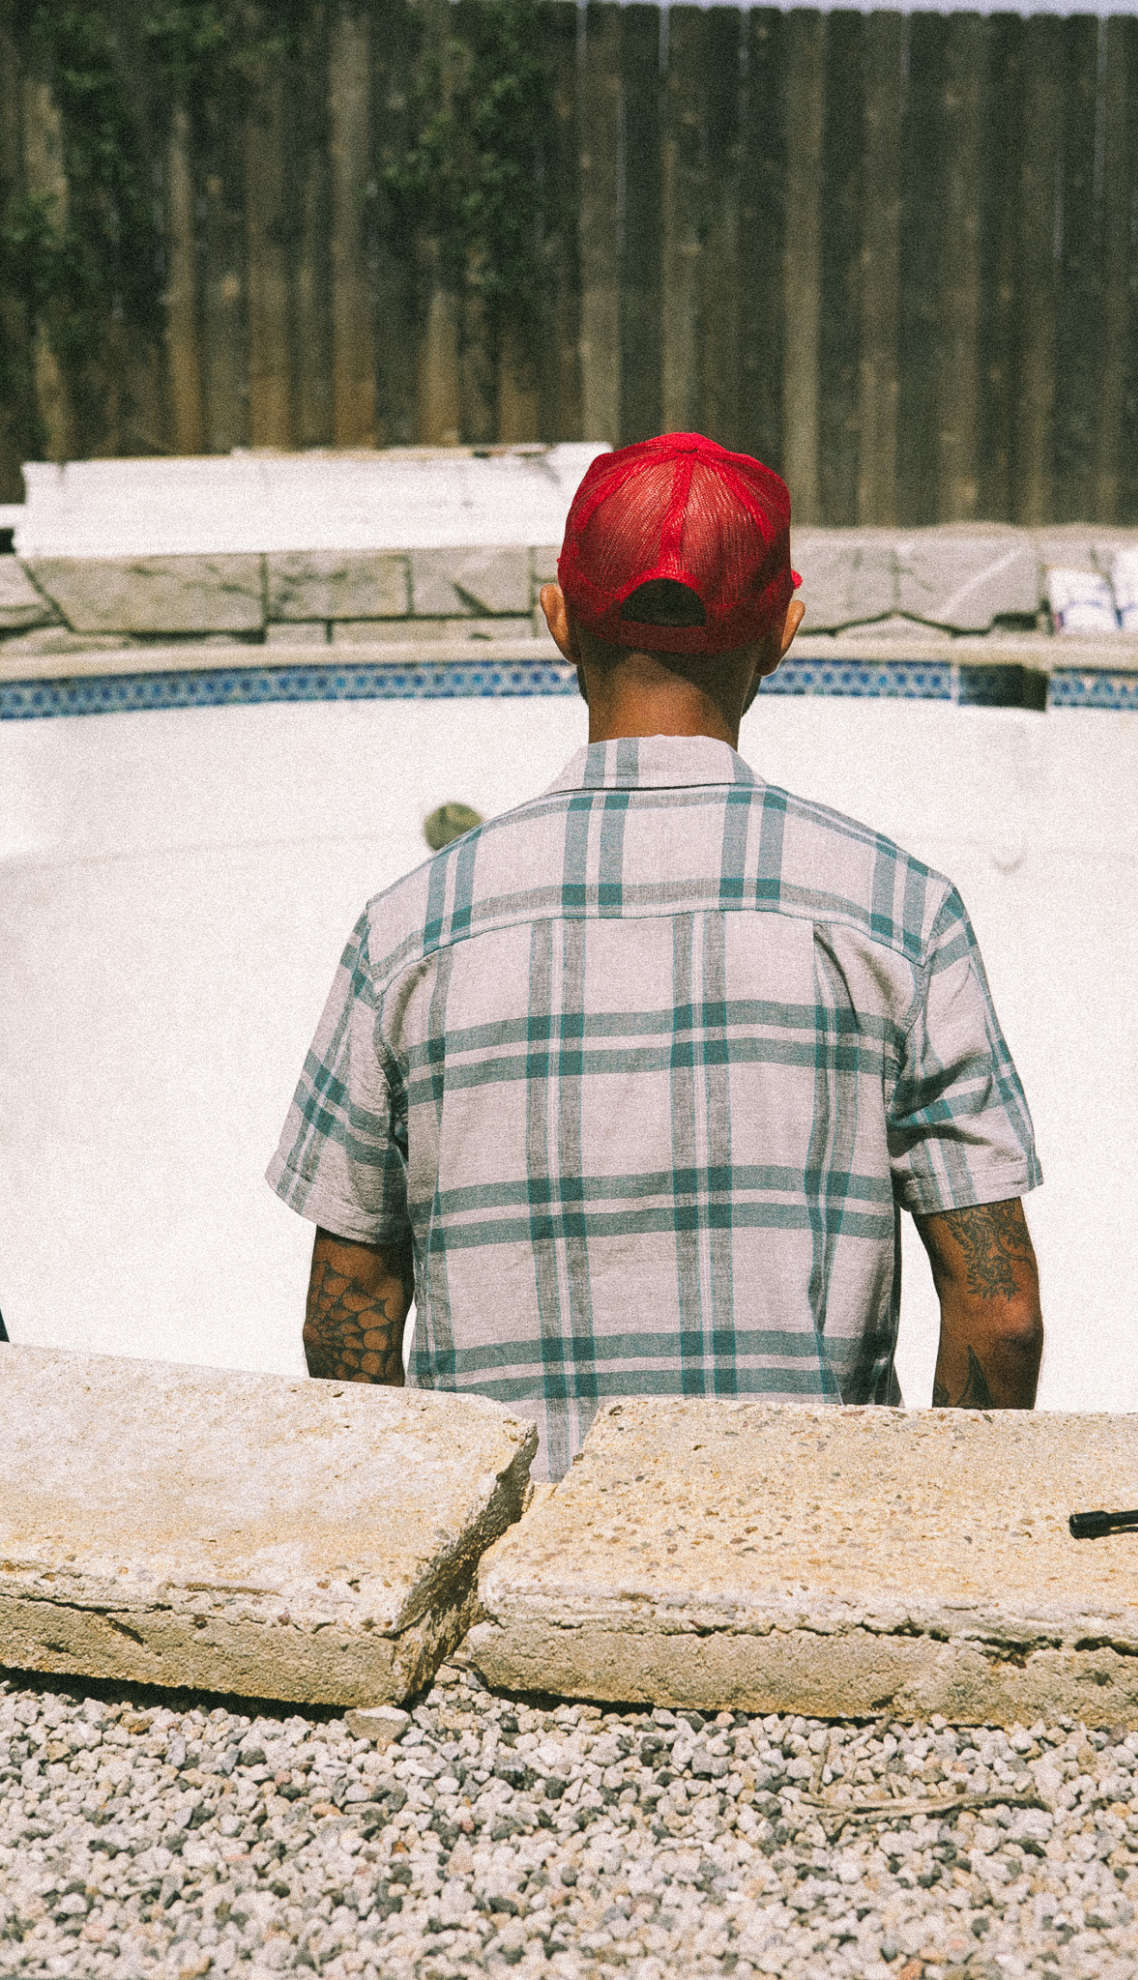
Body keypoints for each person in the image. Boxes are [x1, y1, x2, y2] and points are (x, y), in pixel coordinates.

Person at [267, 433, 1043, 1479]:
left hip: (519, 1559)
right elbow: (1000, 1317)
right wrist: (930, 1528)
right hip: (803, 1552)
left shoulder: (409, 930)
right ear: (780, 635)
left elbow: (345, 1316)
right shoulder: (902, 916)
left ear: (557, 620)